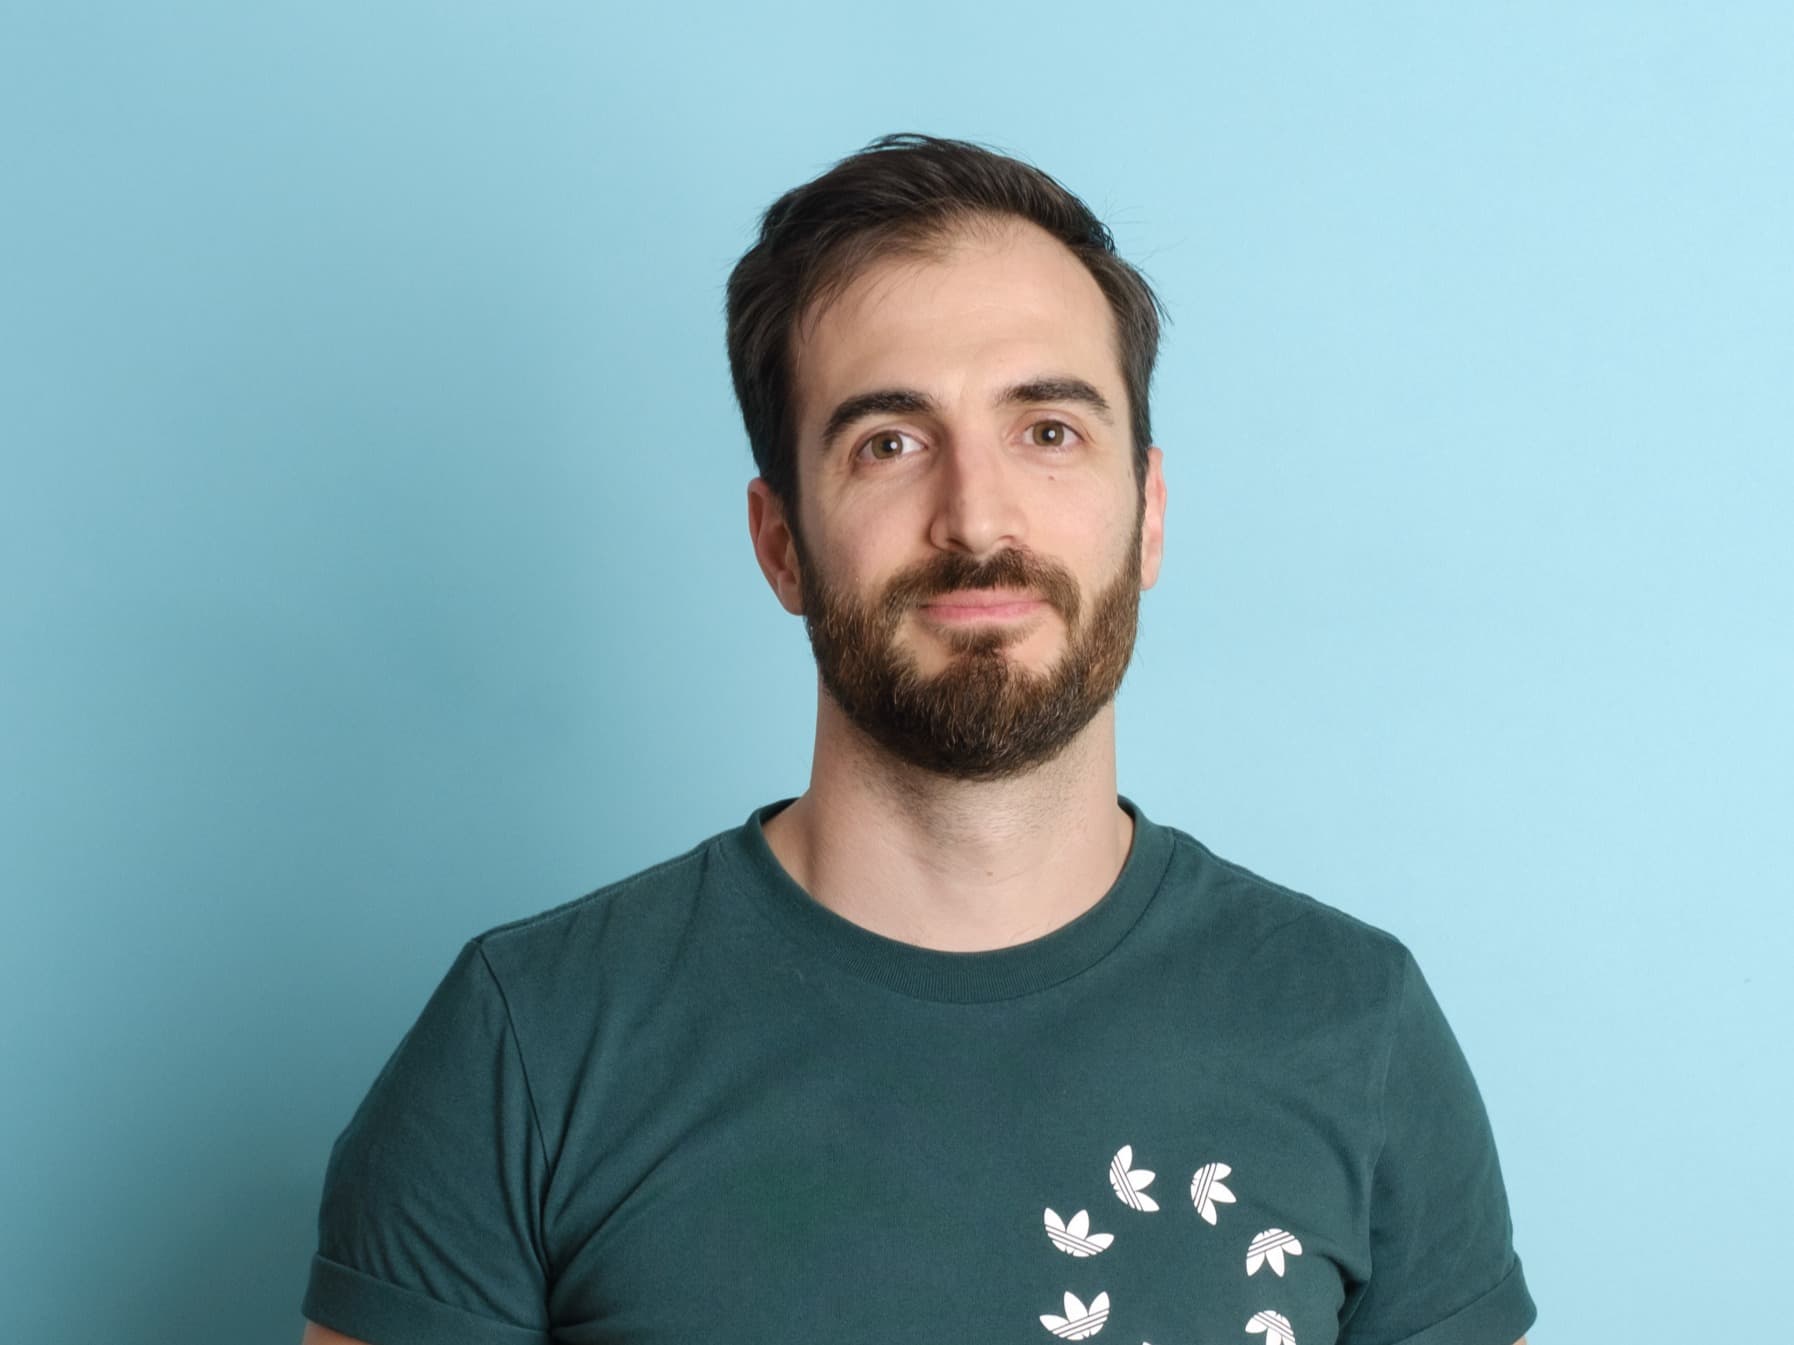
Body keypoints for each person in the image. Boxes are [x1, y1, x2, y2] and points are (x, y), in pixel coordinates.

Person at [300, 133, 1535, 1345]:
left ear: (1147, 515)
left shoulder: (1350, 1026)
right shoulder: (531, 1045)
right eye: (889, 443)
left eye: (1047, 429)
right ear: (781, 541)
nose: (976, 515)